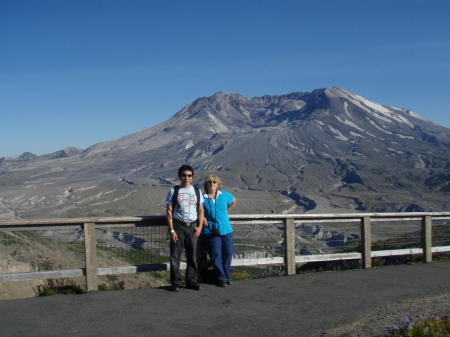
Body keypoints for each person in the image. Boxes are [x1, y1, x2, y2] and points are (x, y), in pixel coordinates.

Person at [165, 164, 204, 292]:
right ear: (179, 176)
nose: (186, 178)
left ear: (192, 177)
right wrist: (171, 230)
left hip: (192, 227)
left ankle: (191, 280)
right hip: (178, 227)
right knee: (175, 256)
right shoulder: (174, 191)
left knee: (192, 255)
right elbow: (169, 211)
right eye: (184, 175)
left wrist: (199, 227)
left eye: (189, 175)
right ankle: (176, 282)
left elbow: (200, 209)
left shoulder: (197, 191)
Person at [201, 174, 236, 287]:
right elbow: (197, 210)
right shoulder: (202, 197)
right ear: (206, 184)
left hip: (226, 229)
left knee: (228, 253)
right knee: (216, 255)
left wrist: (226, 212)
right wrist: (202, 217)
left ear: (218, 184)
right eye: (209, 182)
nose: (212, 184)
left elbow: (234, 201)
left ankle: (226, 276)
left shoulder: (224, 195)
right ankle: (222, 278)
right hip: (210, 230)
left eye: (214, 182)